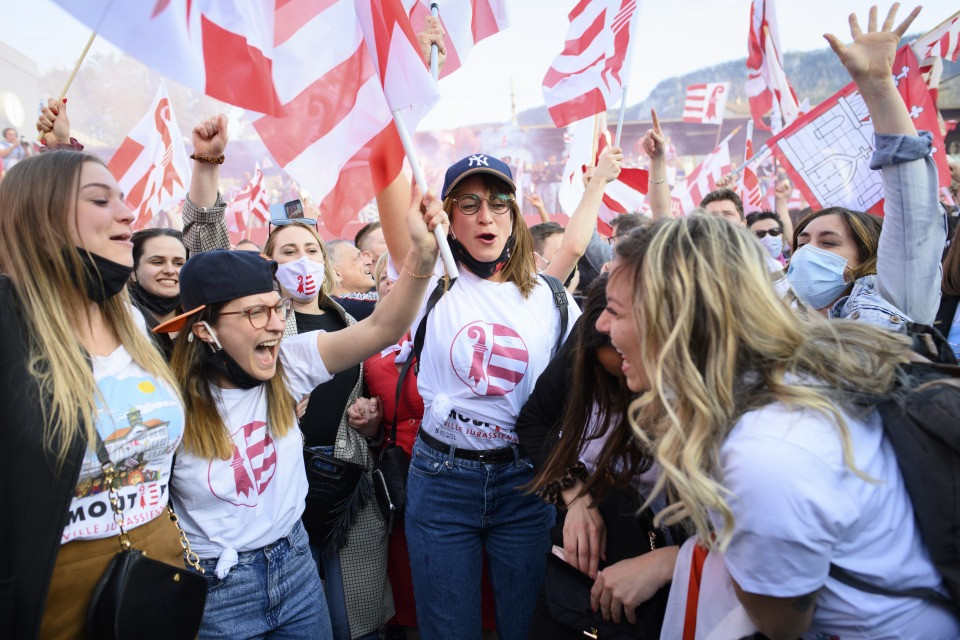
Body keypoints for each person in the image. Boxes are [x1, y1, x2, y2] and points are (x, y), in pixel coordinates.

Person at [155, 185, 445, 638]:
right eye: (255, 313)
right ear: (206, 330)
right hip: (216, 588)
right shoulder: (166, 403)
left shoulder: (289, 363)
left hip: (296, 569)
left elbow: (386, 326)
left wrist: (423, 256)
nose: (275, 323)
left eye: (275, 308)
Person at [178, 114, 393, 639]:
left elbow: (383, 346)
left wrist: (371, 421)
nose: (303, 261)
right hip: (245, 540)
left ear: (329, 262)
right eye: (288, 252)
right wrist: (207, 165)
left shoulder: (352, 317)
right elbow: (210, 257)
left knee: (351, 622)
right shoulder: (261, 325)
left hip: (345, 495)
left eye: (311, 249)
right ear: (267, 269)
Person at [377, 152, 581, 640]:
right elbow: (384, 169)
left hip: (526, 482)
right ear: (446, 216)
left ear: (514, 217)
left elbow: (583, 390)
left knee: (527, 627)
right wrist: (420, 237)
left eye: (498, 203)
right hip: (442, 482)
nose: (485, 216)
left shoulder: (552, 298)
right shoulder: (426, 283)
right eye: (468, 204)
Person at [1, 149, 186, 638]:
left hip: (156, 588)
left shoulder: (136, 324)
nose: (127, 213)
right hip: (53, 607)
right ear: (40, 219)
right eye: (100, 200)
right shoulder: (8, 324)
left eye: (123, 198)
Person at [517, 275, 683, 636]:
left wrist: (668, 563)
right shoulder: (588, 342)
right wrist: (575, 495)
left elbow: (747, 549)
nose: (628, 382)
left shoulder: (716, 411)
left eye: (631, 363)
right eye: (612, 375)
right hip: (585, 569)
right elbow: (533, 422)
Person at [784, 7, 945, 332]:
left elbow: (914, 218)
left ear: (869, 257)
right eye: (802, 243)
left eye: (828, 243)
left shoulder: (891, 310)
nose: (806, 253)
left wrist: (879, 88)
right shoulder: (773, 331)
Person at [129, 227, 188, 359]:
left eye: (178, 263)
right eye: (157, 262)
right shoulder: (115, 324)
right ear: (133, 271)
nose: (170, 270)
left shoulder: (202, 326)